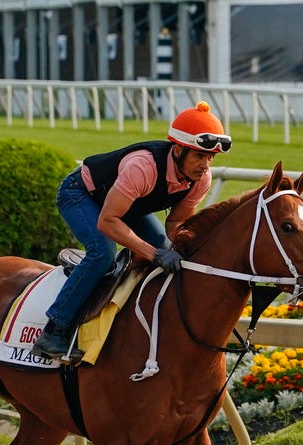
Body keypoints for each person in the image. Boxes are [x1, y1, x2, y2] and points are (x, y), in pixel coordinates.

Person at [31, 101, 231, 361]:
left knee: (169, 251)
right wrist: (152, 253)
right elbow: (108, 222)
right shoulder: (143, 167)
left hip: (126, 206)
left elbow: (175, 225)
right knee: (103, 253)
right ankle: (53, 331)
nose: (205, 165)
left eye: (210, 158)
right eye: (199, 156)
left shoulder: (200, 180)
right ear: (179, 150)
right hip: (80, 194)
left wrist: (185, 251)